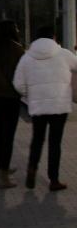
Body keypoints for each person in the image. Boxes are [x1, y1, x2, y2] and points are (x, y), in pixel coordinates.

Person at [13, 26, 77, 191]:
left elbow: (18, 84)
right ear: (54, 37)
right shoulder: (64, 54)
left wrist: (31, 95)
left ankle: (32, 169)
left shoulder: (27, 57)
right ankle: (54, 180)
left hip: (38, 106)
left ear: (35, 39)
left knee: (37, 140)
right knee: (55, 143)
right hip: (59, 106)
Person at [0, 20, 25, 188]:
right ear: (11, 30)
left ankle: (3, 167)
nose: (18, 28)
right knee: (8, 136)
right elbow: (21, 74)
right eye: (16, 27)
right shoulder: (16, 49)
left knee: (1, 133)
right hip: (10, 97)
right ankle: (3, 177)